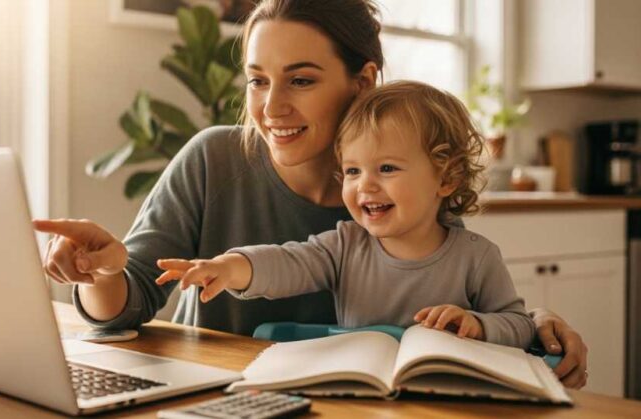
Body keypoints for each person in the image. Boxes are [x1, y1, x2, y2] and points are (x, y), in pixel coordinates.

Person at [33, 0, 588, 388]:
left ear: (363, 82)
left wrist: (534, 326)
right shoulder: (213, 158)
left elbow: (463, 312)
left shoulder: (409, 203)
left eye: (301, 80)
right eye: (257, 79)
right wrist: (101, 274)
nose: (272, 107)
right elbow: (123, 308)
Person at [156, 81, 535, 349]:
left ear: (446, 177)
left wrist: (479, 325)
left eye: (387, 169)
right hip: (361, 396)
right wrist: (229, 266)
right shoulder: (344, 245)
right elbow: (287, 262)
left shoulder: (476, 256)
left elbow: (518, 326)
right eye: (353, 171)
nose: (364, 186)